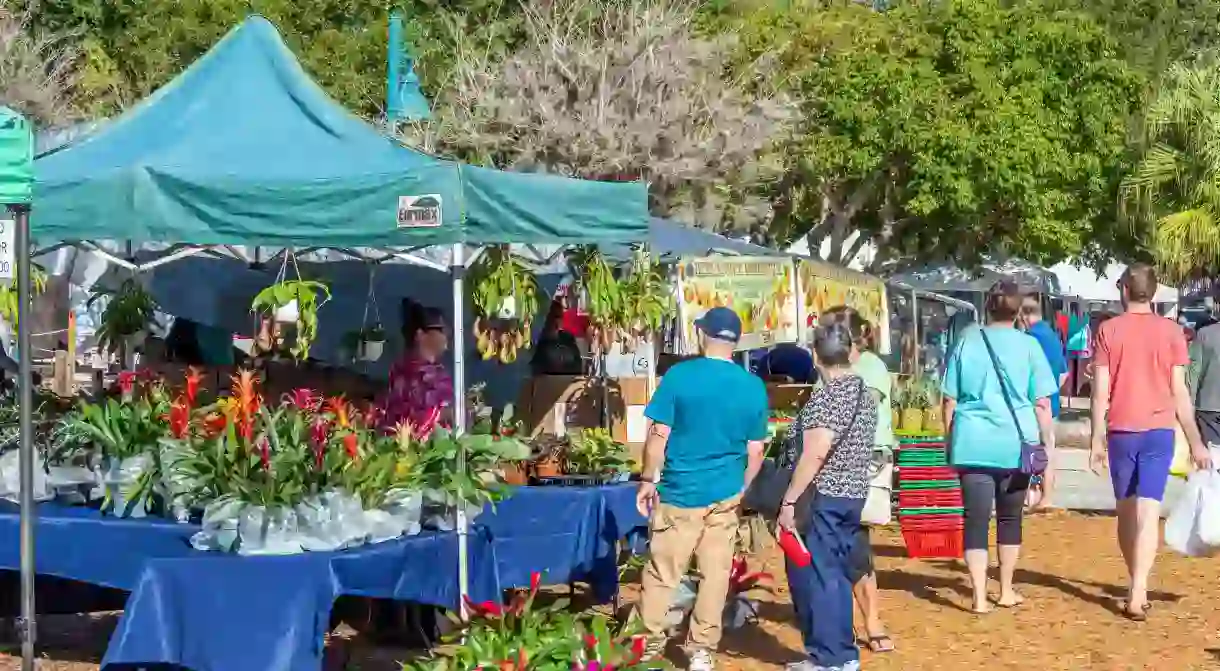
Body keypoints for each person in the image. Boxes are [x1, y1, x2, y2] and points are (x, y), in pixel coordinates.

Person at [635, 306, 769, 671]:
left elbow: (658, 435)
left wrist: (648, 479)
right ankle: (701, 650)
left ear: (702, 335)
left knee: (664, 574)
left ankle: (647, 647)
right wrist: (741, 488)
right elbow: (755, 451)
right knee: (715, 575)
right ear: (735, 342)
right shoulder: (752, 386)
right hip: (724, 495)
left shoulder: (680, 376)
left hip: (679, 492)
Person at [1089, 264, 1211, 620]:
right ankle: (1138, 586)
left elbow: (1099, 393)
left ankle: (1136, 583)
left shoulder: (1108, 330)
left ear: (1125, 289)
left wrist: (1095, 440)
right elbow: (1180, 392)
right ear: (1153, 292)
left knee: (1127, 511)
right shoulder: (1172, 332)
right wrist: (1196, 441)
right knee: (1148, 510)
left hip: (1121, 430)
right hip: (1159, 429)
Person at [941, 280, 1057, 614]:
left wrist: (950, 440)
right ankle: (1005, 589)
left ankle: (978, 597)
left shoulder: (967, 340)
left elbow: (949, 399)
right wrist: (1046, 446)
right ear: (1018, 310)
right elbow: (1042, 404)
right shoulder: (1030, 346)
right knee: (1010, 518)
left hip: (973, 443)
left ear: (987, 305)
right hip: (1015, 445)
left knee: (974, 520)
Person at [777, 306, 877, 671]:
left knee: (824, 576)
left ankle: (830, 657)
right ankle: (840, 654)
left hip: (826, 496)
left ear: (817, 355)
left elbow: (814, 454)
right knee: (834, 571)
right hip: (851, 494)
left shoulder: (828, 396)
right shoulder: (863, 392)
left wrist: (789, 500)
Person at [845, 312, 894, 654]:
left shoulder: (871, 366)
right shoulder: (830, 367)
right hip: (828, 469)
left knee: (855, 546)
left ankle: (872, 620)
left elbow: (865, 412)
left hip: (857, 468)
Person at [1020, 295, 1068, 509]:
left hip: (1034, 401)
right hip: (1052, 402)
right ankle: (1045, 495)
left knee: (1033, 449)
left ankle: (1037, 496)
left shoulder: (1030, 337)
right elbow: (1064, 373)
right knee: (1047, 447)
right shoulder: (1052, 335)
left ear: (1024, 315)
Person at [377, 299, 453, 432]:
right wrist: (457, 411)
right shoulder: (411, 374)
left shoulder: (400, 369)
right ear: (420, 334)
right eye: (441, 329)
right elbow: (423, 417)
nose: (447, 334)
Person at [531, 299, 584, 375]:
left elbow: (578, 365)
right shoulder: (536, 343)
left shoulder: (568, 338)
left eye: (559, 317)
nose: (556, 320)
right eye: (553, 316)